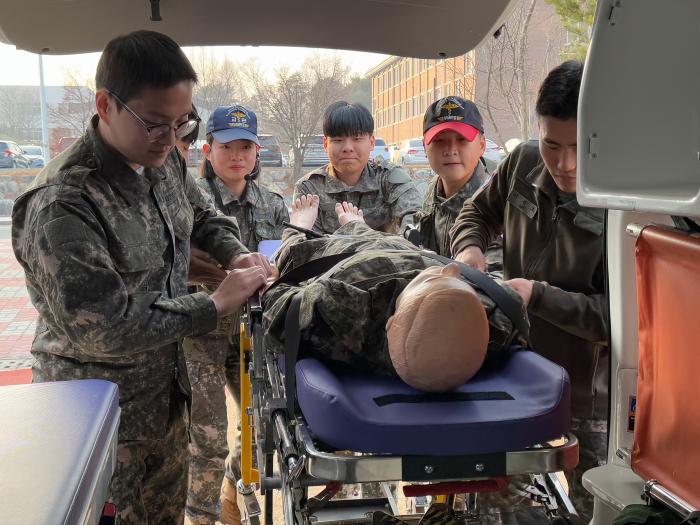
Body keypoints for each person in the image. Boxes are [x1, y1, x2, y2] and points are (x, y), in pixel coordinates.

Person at [11, 30, 273, 525]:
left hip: (165, 403)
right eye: (156, 124)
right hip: (101, 423)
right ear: (106, 105)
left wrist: (236, 255)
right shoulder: (63, 203)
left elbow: (204, 216)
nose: (170, 139)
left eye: (181, 123)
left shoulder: (162, 158)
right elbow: (105, 327)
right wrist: (216, 303)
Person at [450, 60, 608, 521]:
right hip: (512, 380)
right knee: (500, 508)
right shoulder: (522, 162)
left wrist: (537, 295)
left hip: (588, 399)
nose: (565, 164)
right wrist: (469, 253)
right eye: (552, 144)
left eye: (580, 147)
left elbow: (622, 318)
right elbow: (474, 215)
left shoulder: (628, 199)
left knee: (600, 512)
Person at [263, 195, 527, 390]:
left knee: (294, 256)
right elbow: (513, 299)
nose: (451, 272)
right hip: (404, 249)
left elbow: (282, 301)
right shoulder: (497, 315)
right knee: (378, 237)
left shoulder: (346, 305)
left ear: (390, 323)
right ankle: (356, 224)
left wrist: (277, 276)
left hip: (344, 259)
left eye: (428, 281)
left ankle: (300, 229)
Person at [183, 105, 289, 525]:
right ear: (208, 150)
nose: (237, 155)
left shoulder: (272, 204)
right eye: (227, 147)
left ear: (257, 152)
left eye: (246, 147)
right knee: (206, 436)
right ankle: (202, 517)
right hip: (202, 331)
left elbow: (282, 255)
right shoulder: (191, 200)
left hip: (254, 330)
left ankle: (231, 493)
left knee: (264, 422)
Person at [293, 101, 421, 235]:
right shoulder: (309, 188)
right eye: (338, 140)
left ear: (371, 142)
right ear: (326, 144)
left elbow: (413, 238)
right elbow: (304, 249)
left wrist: (358, 229)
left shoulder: (390, 179)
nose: (348, 148)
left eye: (357, 139)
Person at [413, 96, 502, 271]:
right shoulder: (432, 190)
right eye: (439, 141)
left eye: (461, 140)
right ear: (425, 147)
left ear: (482, 145)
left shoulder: (498, 197)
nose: (450, 150)